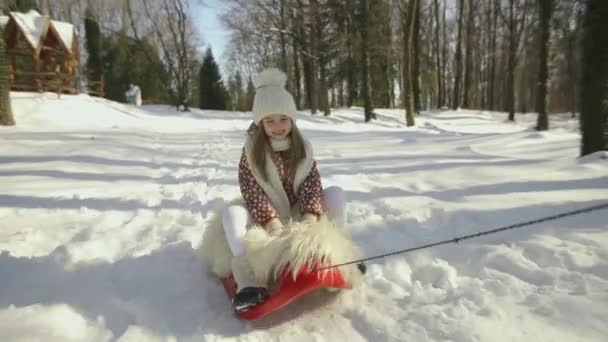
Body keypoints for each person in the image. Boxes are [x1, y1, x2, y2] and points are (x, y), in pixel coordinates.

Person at [222, 68, 348, 312]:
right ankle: (249, 281)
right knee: (231, 215)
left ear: (292, 119)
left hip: (299, 211)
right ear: (260, 124)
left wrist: (310, 217)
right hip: (265, 216)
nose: (277, 126)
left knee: (336, 194)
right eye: (269, 121)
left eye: (283, 119)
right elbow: (251, 189)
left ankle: (337, 259)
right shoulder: (251, 151)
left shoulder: (303, 147)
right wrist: (272, 223)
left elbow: (312, 182)